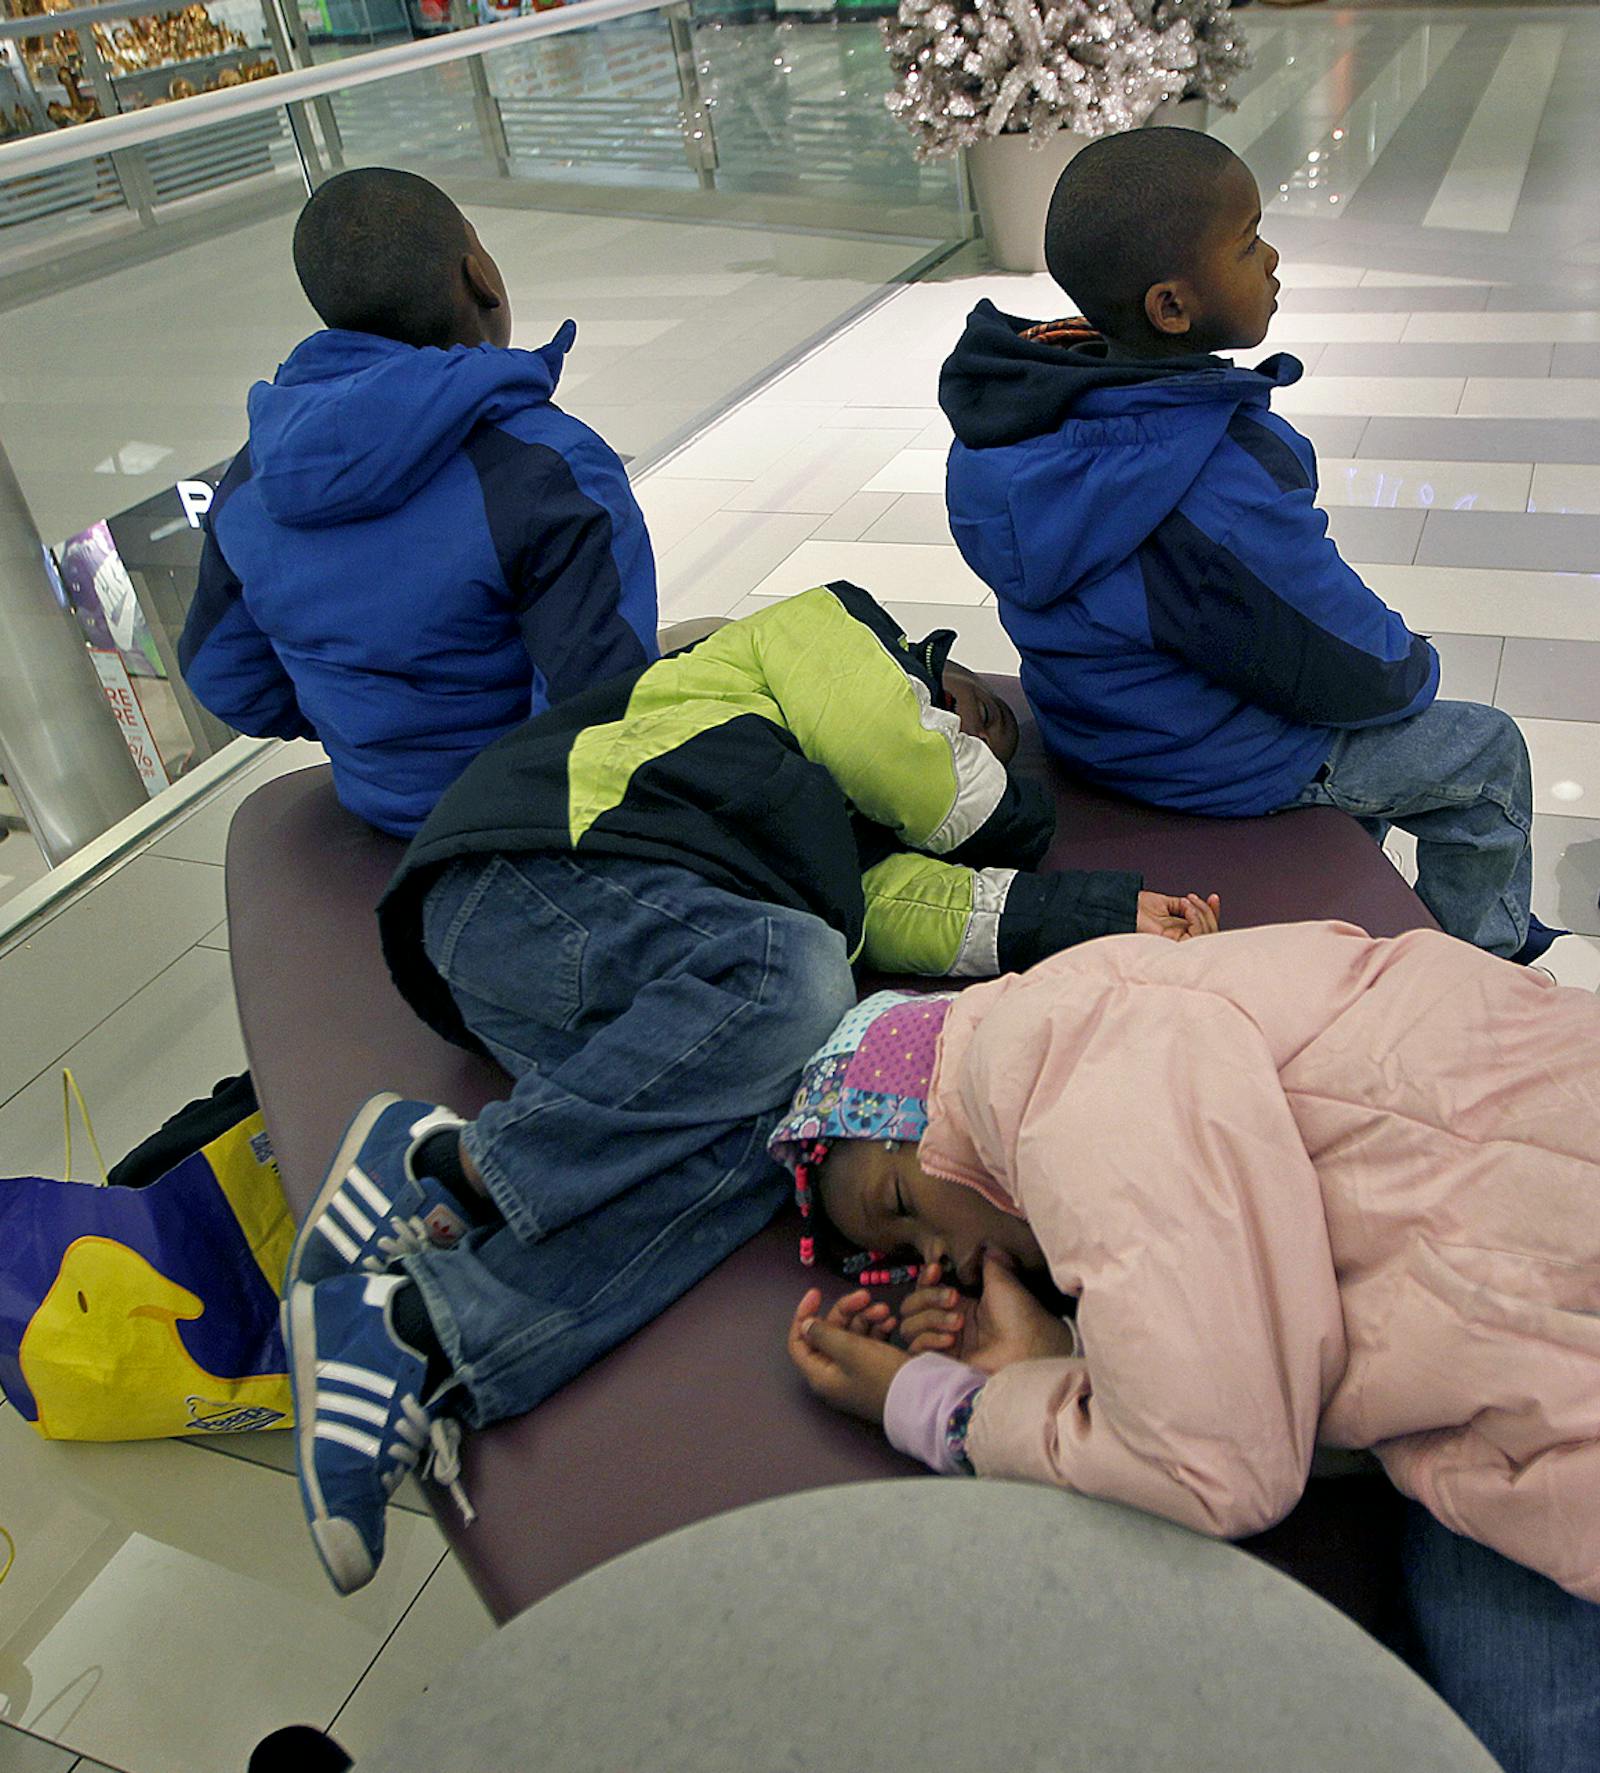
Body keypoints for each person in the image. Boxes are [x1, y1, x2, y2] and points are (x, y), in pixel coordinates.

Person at [780, 923, 1600, 1773]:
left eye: (900, 1208)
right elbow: (1299, 1347)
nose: (938, 1263)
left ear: (917, 1108)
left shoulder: (1038, 1051)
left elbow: (1215, 1461)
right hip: (1563, 1433)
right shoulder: (1130, 1034)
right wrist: (1064, 1348)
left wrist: (950, 1406)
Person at [281, 579, 1218, 1595]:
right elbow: (902, 754)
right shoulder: (825, 632)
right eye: (969, 714)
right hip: (528, 876)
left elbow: (920, 911)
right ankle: (454, 1163)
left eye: (987, 740)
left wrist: (1114, 911)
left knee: (780, 1140)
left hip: (623, 991)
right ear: (925, 666)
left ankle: (426, 1332)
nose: (972, 735)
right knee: (797, 973)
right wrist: (1013, 807)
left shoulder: (839, 841)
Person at [940, 129, 1546, 962]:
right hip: (1203, 760)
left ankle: (1354, 883)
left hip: (1100, 724)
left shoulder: (1028, 420)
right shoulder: (1210, 484)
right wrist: (1415, 664)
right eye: (1248, 241)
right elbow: (1336, 653)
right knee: (1485, 750)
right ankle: (1483, 966)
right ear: (1173, 307)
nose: (1272, 259)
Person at [178, 166, 658, 839]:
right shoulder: (550, 464)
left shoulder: (253, 477)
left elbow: (225, 678)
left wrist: (373, 718)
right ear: (480, 277)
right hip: (525, 833)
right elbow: (601, 718)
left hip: (378, 816)